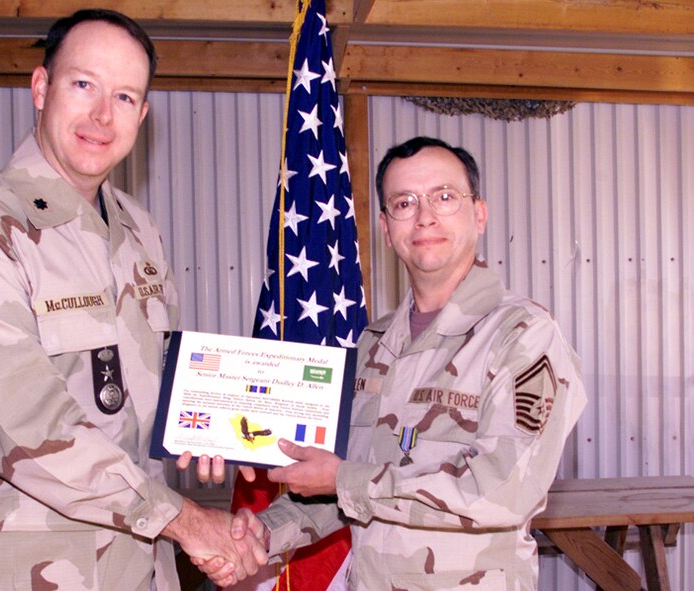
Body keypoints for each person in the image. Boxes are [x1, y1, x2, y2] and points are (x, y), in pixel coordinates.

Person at [0, 9, 265, 590]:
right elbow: (27, 427)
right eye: (83, 85)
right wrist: (187, 520)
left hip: (141, 568)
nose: (103, 115)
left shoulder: (138, 229)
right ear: (41, 88)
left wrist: (217, 430)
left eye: (125, 97)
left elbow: (158, 386)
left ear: (142, 114)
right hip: (22, 570)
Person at [200, 136, 587, 590]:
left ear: (478, 213)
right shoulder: (373, 345)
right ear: (386, 228)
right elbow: (338, 483)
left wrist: (344, 478)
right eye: (404, 202)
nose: (425, 216)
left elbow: (504, 490)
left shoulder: (523, 335)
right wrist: (269, 529)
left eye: (444, 197)